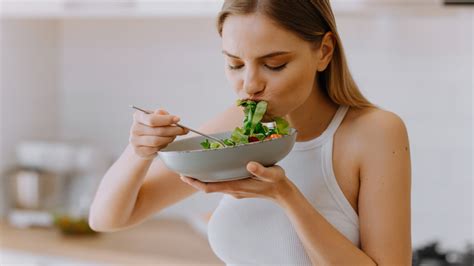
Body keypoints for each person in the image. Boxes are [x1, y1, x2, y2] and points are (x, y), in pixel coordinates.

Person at [89, 0, 412, 264]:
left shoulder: (374, 132)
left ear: (324, 51)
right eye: (235, 64)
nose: (250, 85)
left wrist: (286, 196)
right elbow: (109, 218)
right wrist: (139, 150)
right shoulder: (237, 129)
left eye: (274, 64)